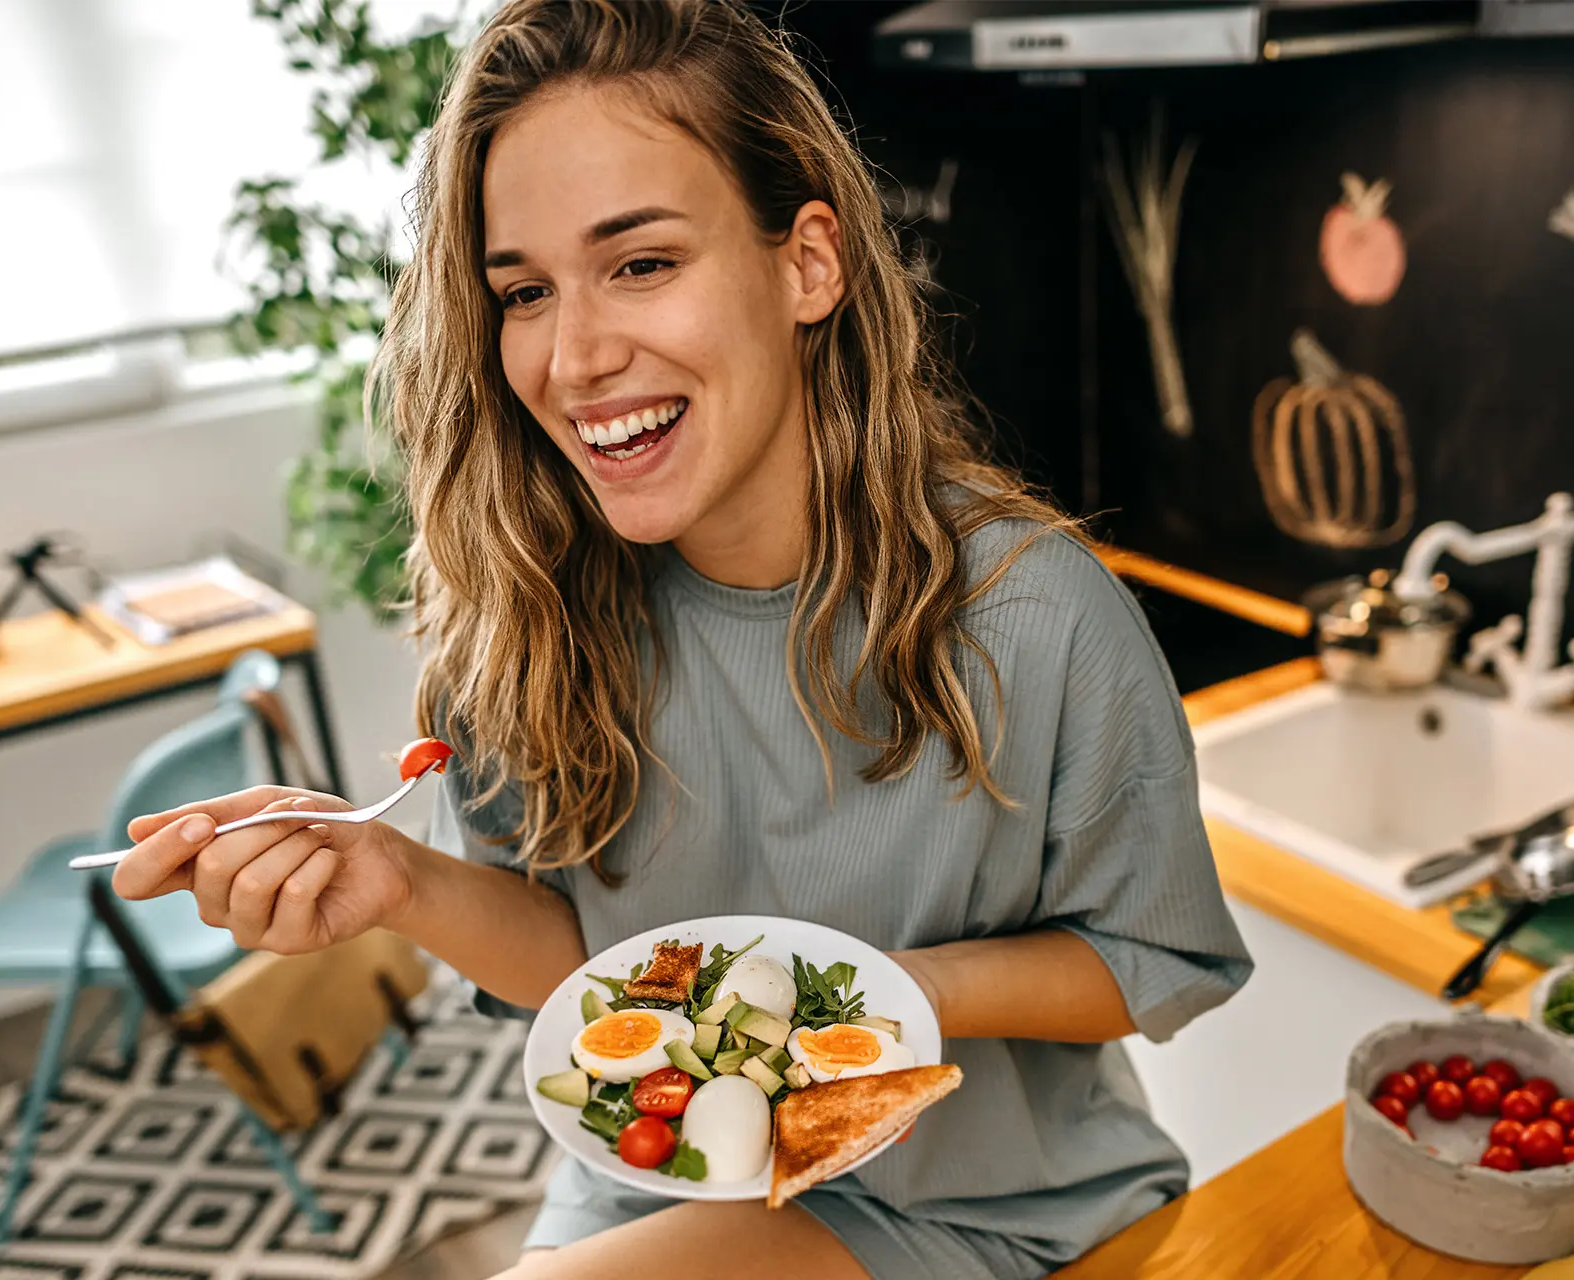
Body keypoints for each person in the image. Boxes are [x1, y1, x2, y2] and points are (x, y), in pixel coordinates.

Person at [111, 2, 1252, 1275]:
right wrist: (404, 883)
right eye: (525, 291)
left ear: (806, 263)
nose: (576, 355)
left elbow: (1151, 958)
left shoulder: (1036, 615)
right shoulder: (529, 608)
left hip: (974, 1198)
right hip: (652, 1180)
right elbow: (585, 965)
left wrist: (872, 989)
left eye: (642, 262)